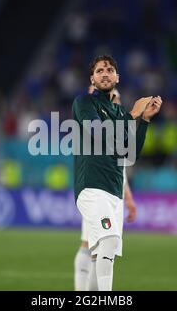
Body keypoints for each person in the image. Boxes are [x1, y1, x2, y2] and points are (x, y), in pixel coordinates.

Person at [72, 55, 162, 291]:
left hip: (113, 192)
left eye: (109, 69)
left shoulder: (119, 111)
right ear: (92, 78)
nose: (105, 73)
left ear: (117, 77)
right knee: (110, 241)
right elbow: (98, 133)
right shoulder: (84, 103)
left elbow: (130, 154)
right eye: (100, 70)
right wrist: (133, 115)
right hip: (91, 187)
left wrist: (144, 121)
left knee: (100, 254)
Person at [74, 86, 137, 291]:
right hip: (95, 187)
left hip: (113, 192)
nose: (116, 102)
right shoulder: (93, 117)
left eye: (117, 99)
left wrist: (127, 198)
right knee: (91, 243)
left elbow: (122, 168)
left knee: (99, 250)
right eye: (114, 98)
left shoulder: (118, 126)